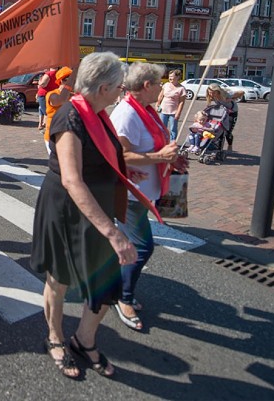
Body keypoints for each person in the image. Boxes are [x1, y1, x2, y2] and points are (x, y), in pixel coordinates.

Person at [31, 52, 151, 379]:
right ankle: (55, 337)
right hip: (66, 209)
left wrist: (123, 173)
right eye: (118, 88)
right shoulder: (69, 116)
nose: (121, 93)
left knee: (102, 281)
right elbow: (72, 179)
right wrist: (115, 234)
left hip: (95, 208)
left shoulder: (98, 114)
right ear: (102, 88)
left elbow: (104, 156)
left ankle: (84, 340)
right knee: (59, 279)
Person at [110, 62, 188, 331]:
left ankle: (117, 287)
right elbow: (120, 156)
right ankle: (123, 297)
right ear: (147, 85)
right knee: (141, 247)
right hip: (131, 193)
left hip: (146, 192)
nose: (162, 88)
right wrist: (160, 157)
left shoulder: (146, 110)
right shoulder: (127, 113)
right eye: (158, 83)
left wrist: (172, 160)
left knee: (131, 245)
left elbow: (156, 146)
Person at [43, 66, 74, 155]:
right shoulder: (52, 94)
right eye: (66, 79)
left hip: (68, 135)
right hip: (53, 136)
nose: (70, 82)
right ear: (60, 80)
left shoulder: (74, 95)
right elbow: (60, 100)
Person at [156, 69, 186, 141]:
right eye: (169, 76)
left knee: (173, 128)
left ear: (177, 77)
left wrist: (178, 113)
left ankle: (173, 142)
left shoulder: (181, 89)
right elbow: (161, 95)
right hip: (163, 110)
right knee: (162, 127)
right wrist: (158, 104)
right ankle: (163, 141)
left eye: (172, 76)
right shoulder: (166, 85)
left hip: (173, 111)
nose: (170, 78)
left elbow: (181, 102)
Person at [36, 67, 58, 131]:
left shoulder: (49, 74)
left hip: (44, 95)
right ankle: (41, 124)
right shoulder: (58, 73)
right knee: (42, 109)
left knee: (46, 111)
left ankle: (47, 127)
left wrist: (39, 82)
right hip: (53, 94)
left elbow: (43, 84)